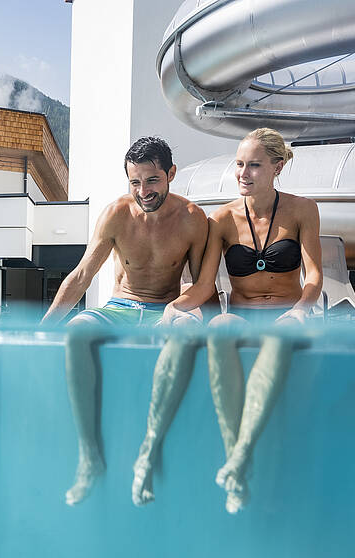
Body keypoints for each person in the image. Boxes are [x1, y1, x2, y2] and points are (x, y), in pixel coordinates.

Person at [135, 127, 321, 514]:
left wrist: (300, 310)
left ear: (277, 167)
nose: (243, 173)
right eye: (239, 164)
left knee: (277, 339)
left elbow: (314, 277)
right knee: (218, 328)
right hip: (240, 315)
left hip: (285, 314)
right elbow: (205, 286)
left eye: (254, 165)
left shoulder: (304, 210)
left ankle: (238, 463)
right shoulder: (220, 219)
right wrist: (177, 306)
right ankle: (236, 459)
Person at [41, 136, 211, 505]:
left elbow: (200, 287)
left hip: (166, 308)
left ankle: (151, 452)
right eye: (135, 182)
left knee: (189, 334)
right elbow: (82, 275)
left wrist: (181, 315)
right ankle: (89, 457)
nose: (143, 191)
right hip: (120, 307)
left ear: (171, 174)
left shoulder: (193, 219)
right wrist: (44, 328)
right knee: (76, 332)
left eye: (152, 181)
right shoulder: (116, 214)